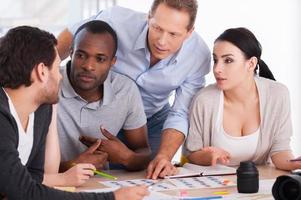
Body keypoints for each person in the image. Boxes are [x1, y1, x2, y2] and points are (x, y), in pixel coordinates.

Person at [57, 0, 211, 179]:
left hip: (152, 119)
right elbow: (76, 37)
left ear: (189, 32)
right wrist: (44, 72)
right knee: (95, 174)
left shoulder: (198, 56)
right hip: (105, 114)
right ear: (149, 18)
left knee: (145, 175)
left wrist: (164, 156)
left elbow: (180, 113)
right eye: (157, 28)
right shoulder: (116, 20)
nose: (162, 41)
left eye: (173, 34)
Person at [0, 25, 148, 200]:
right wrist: (113, 198)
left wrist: (52, 106)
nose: (61, 76)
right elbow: (27, 192)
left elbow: (37, 177)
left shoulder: (37, 111)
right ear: (41, 71)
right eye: (56, 68)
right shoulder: (2, 120)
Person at [185, 27, 301, 171]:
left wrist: (295, 163)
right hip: (215, 185)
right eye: (215, 60)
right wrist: (210, 156)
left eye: (228, 60)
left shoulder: (277, 94)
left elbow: (280, 149)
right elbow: (192, 153)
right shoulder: (204, 100)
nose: (217, 69)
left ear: (251, 64)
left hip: (258, 184)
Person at [56, 20, 151, 173]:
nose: (88, 66)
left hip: (100, 187)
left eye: (100, 59)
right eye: (81, 55)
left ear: (112, 62)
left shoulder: (125, 90)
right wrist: (72, 166)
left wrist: (126, 157)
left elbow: (144, 152)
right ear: (71, 53)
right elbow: (23, 166)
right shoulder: (47, 84)